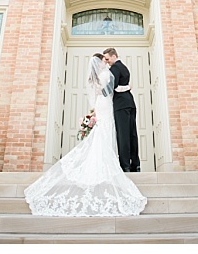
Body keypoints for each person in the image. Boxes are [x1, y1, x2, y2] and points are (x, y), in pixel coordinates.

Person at [24, 53, 146, 216]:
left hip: (104, 105)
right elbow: (108, 91)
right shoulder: (106, 73)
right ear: (100, 62)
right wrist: (125, 88)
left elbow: (103, 90)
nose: (107, 62)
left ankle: (106, 162)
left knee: (105, 132)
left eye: (107, 59)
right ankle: (110, 163)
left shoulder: (100, 74)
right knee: (107, 132)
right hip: (107, 104)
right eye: (105, 60)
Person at [103, 47, 141, 172]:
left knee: (123, 135)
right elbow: (121, 85)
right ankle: (135, 164)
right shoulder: (125, 67)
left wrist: (100, 92)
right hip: (130, 103)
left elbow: (110, 87)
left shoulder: (114, 68)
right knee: (132, 134)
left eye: (108, 59)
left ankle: (125, 165)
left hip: (121, 105)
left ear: (114, 56)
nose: (107, 62)